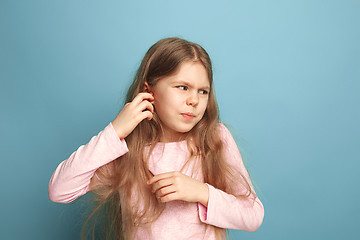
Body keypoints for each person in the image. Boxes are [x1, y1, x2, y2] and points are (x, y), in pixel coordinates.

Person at [48, 37, 264, 240]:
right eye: (183, 87)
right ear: (148, 91)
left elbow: (253, 215)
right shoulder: (128, 150)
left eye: (203, 91)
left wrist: (201, 192)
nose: (194, 100)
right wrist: (114, 131)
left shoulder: (215, 140)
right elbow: (59, 190)